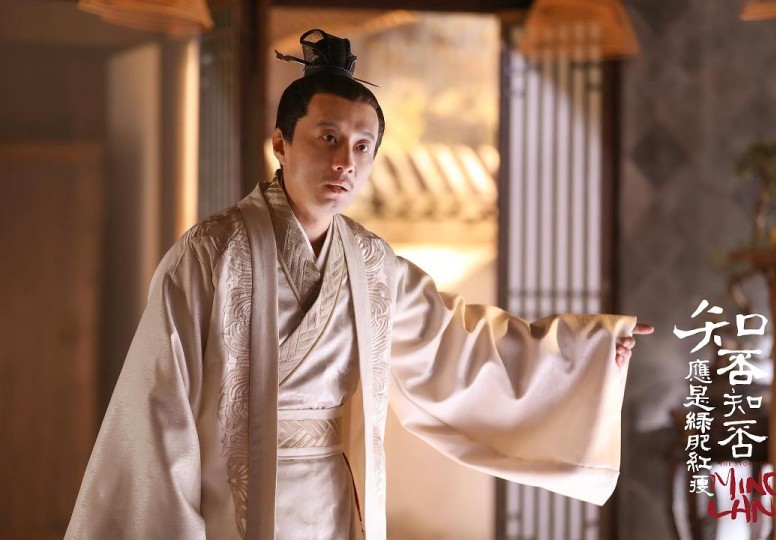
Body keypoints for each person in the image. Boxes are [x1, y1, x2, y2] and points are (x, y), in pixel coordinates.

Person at [66, 29, 653, 540]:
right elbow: (157, 411)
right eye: (327, 138)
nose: (345, 160)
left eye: (362, 145)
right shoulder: (210, 254)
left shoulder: (372, 264)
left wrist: (587, 352)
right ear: (280, 143)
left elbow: (459, 347)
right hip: (231, 503)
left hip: (334, 500)